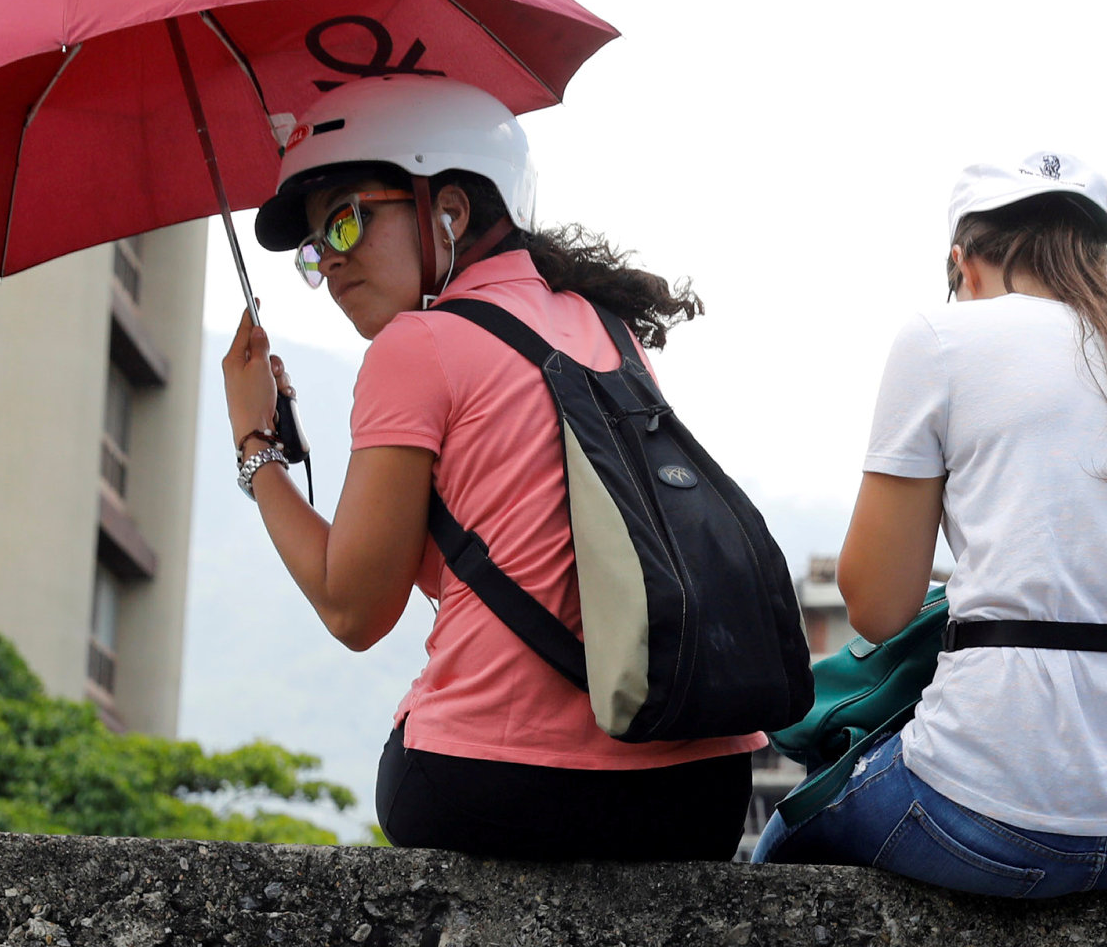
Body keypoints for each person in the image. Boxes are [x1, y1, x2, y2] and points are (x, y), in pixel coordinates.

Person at [223, 78, 762, 862]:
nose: (330, 264)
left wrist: (253, 444)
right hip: (701, 789)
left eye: (344, 221)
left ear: (449, 209)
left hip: (499, 781)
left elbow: (354, 611)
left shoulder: (415, 346)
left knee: (407, 772)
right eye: (315, 249)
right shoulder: (601, 325)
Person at [756, 152, 1107, 896]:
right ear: (1095, 256)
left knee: (786, 840)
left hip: (981, 813)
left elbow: (876, 606)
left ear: (963, 266)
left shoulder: (940, 341)